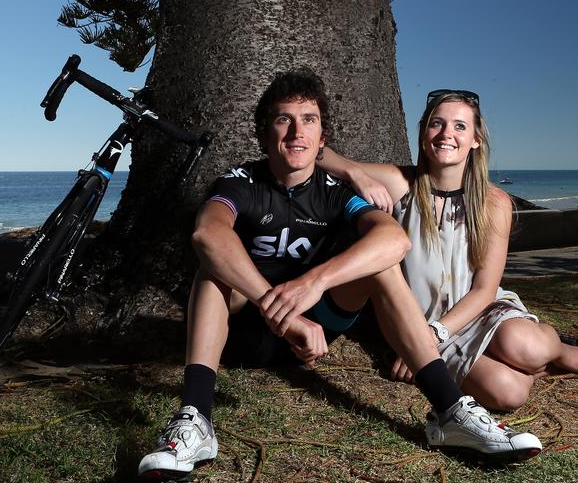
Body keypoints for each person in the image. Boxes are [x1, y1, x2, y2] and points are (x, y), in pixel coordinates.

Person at [137, 74, 541, 481]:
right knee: (213, 272)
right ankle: (195, 418)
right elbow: (208, 233)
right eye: (284, 120)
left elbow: (393, 241)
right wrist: (276, 306)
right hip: (243, 329)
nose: (297, 132)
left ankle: (450, 411)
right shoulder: (241, 181)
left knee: (379, 261)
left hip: (317, 326)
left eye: (309, 120)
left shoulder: (333, 191)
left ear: (322, 135)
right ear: (263, 131)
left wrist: (312, 283)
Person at [319, 88, 578, 411]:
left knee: (527, 346)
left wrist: (433, 336)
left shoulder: (494, 203)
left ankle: (563, 352)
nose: (446, 134)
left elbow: (485, 290)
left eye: (459, 126)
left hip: (477, 313)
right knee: (509, 394)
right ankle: (530, 370)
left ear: (475, 140)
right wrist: (354, 171)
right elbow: (318, 153)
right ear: (424, 133)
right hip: (419, 323)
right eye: (436, 124)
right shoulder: (402, 184)